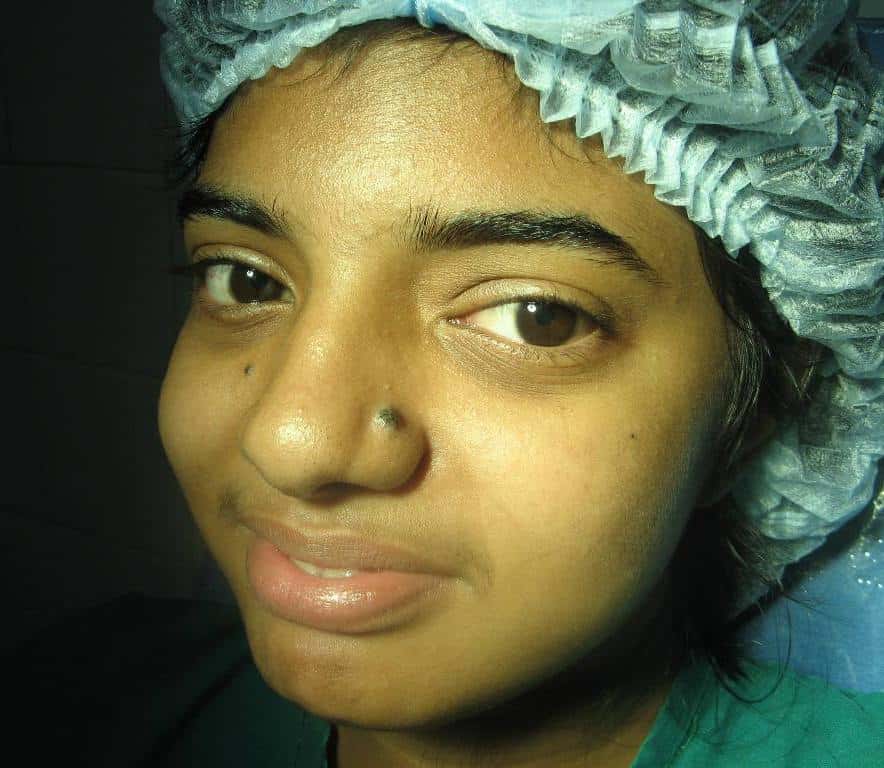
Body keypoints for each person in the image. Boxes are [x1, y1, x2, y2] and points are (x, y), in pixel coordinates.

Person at [7, 2, 884, 766]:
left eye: (536, 317)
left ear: (757, 416)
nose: (290, 441)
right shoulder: (75, 697)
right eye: (245, 280)